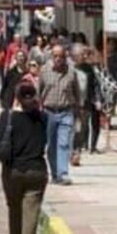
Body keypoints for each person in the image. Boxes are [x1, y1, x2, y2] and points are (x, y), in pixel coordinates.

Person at [0, 83, 49, 234]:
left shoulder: (7, 116)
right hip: (37, 169)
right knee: (31, 211)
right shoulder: (43, 118)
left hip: (13, 170)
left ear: (16, 97)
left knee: (14, 208)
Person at [38, 45, 80, 185]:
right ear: (52, 57)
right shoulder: (44, 71)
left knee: (64, 143)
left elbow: (76, 92)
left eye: (60, 56)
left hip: (66, 112)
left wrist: (78, 111)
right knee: (51, 145)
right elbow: (39, 92)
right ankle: (55, 173)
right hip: (48, 112)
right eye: (55, 56)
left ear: (65, 57)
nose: (58, 59)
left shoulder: (71, 72)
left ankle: (63, 174)